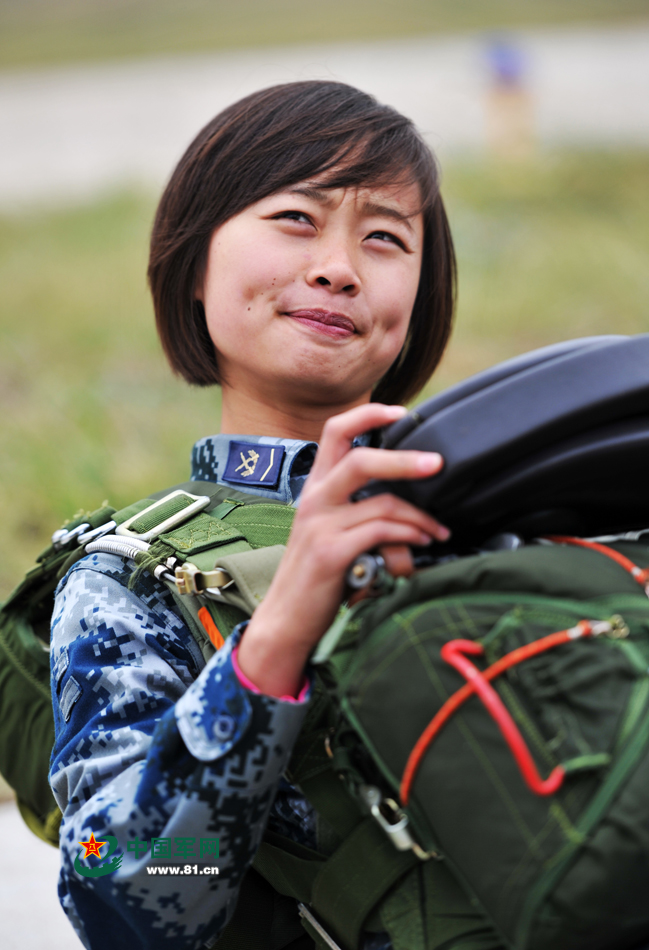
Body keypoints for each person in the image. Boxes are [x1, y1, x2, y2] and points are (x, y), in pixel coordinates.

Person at [49, 80, 460, 950]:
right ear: (194, 263)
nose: (339, 267)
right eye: (296, 219)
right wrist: (273, 645)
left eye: (384, 237)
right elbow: (124, 901)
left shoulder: (492, 505)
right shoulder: (126, 584)